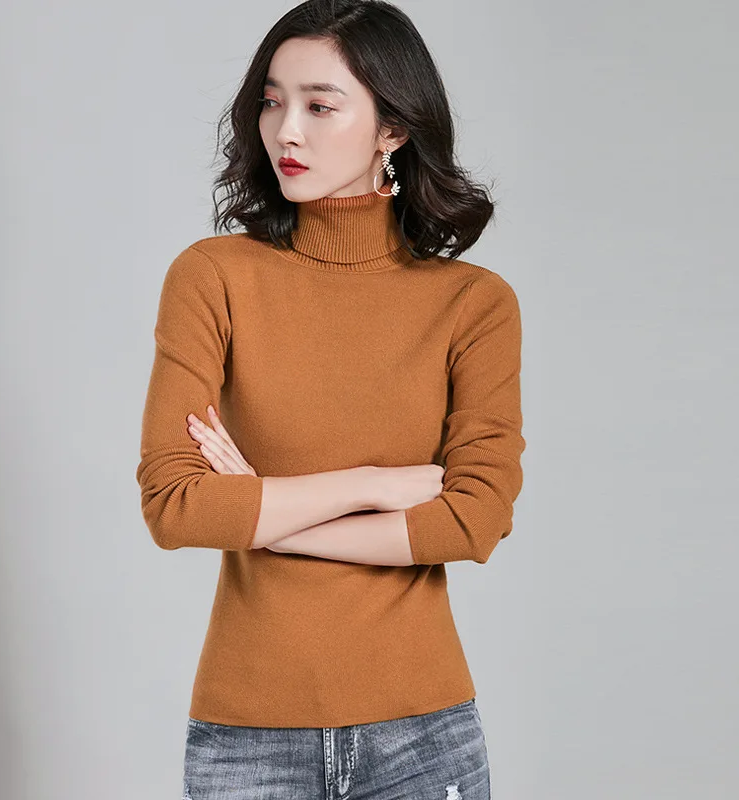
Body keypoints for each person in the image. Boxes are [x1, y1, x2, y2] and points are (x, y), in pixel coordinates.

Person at [135, 1, 525, 797]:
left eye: (320, 106)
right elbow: (177, 506)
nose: (286, 130)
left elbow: (472, 521)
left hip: (422, 733)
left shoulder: (474, 304)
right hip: (248, 738)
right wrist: (374, 485)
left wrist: (264, 512)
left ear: (393, 129)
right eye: (272, 101)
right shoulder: (213, 278)